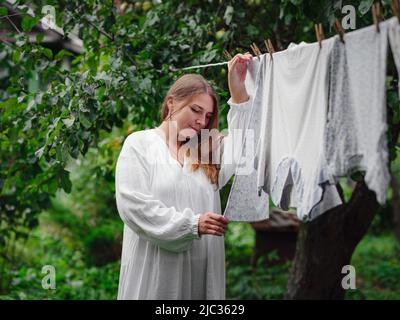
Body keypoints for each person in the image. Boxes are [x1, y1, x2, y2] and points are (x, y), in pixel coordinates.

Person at [115, 53, 253, 299]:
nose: (201, 121)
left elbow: (245, 146)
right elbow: (133, 206)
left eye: (208, 116)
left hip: (199, 275)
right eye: (196, 110)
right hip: (154, 277)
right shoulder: (140, 144)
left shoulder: (207, 151)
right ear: (171, 103)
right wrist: (192, 225)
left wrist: (239, 91)